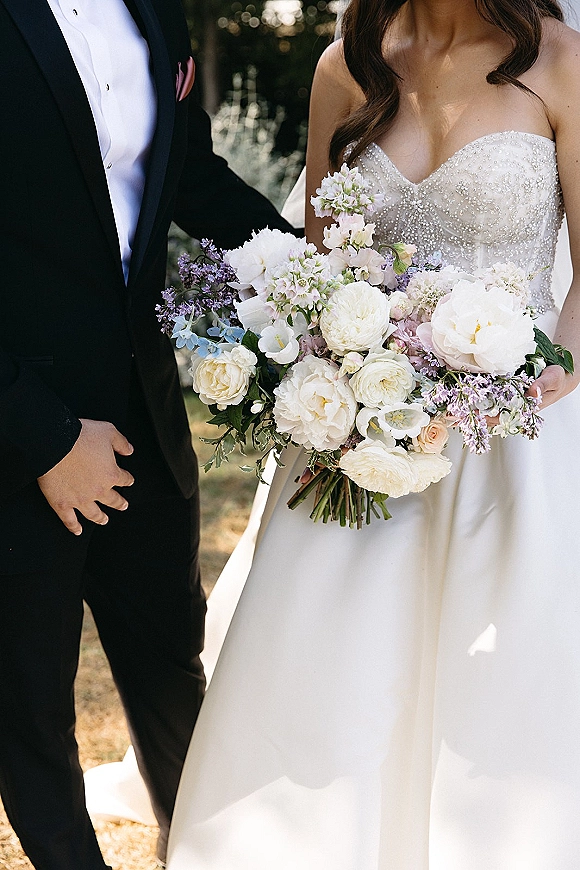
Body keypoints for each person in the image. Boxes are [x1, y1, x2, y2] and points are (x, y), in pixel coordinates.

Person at [164, 1, 580, 868]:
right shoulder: (345, 66)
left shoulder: (561, 64)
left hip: (518, 439)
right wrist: (338, 379)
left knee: (500, 692)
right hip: (360, 430)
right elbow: (322, 263)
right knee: (331, 682)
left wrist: (537, 383)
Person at [0, 1, 294, 868]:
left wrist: (335, 299)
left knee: (175, 679)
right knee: (30, 717)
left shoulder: (154, 13)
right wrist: (47, 438)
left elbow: (190, 181)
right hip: (19, 444)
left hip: (148, 430)